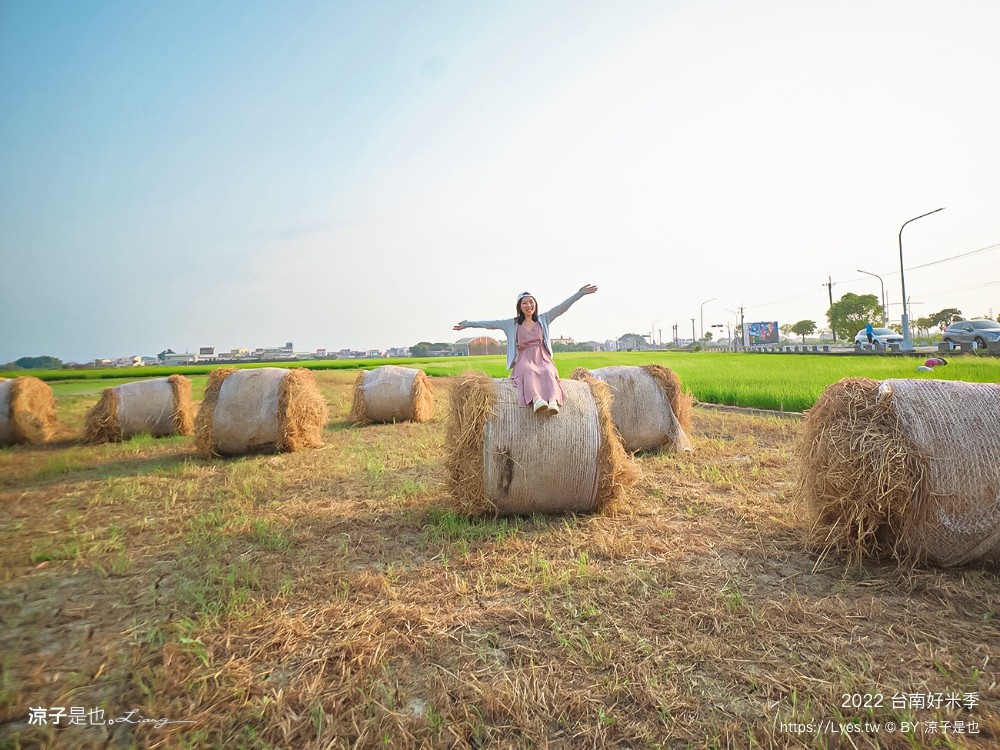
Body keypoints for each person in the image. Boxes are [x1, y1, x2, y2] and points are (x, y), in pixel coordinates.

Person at [454, 284, 598, 415]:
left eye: (531, 302)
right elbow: (488, 324)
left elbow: (563, 307)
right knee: (528, 371)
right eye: (525, 303)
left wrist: (580, 293)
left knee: (548, 371)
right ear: (520, 307)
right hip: (524, 357)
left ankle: (553, 402)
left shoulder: (544, 318)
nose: (529, 305)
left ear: (535, 304)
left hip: (542, 357)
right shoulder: (512, 324)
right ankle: (537, 401)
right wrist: (467, 324)